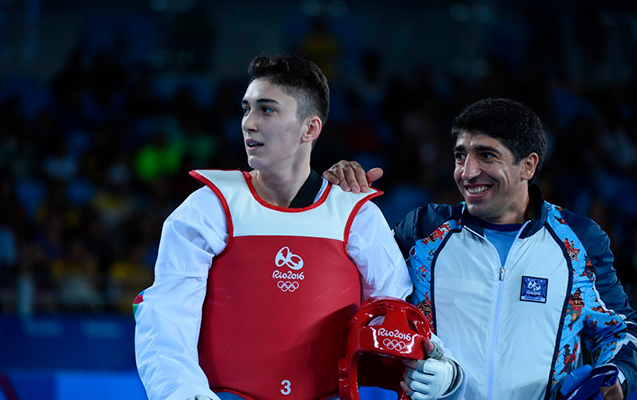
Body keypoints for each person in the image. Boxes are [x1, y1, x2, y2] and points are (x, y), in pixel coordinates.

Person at [134, 54, 465, 400]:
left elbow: (395, 314)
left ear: (310, 128)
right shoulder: (208, 208)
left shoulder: (356, 214)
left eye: (266, 110)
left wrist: (440, 372)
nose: (248, 123)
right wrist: (182, 392)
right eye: (246, 109)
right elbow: (166, 314)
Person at [324, 98, 637, 400]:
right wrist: (334, 199)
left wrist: (617, 375)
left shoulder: (577, 241)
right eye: (461, 156)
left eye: (487, 156)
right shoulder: (423, 232)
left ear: (528, 166)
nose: (468, 172)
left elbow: (620, 330)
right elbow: (347, 286)